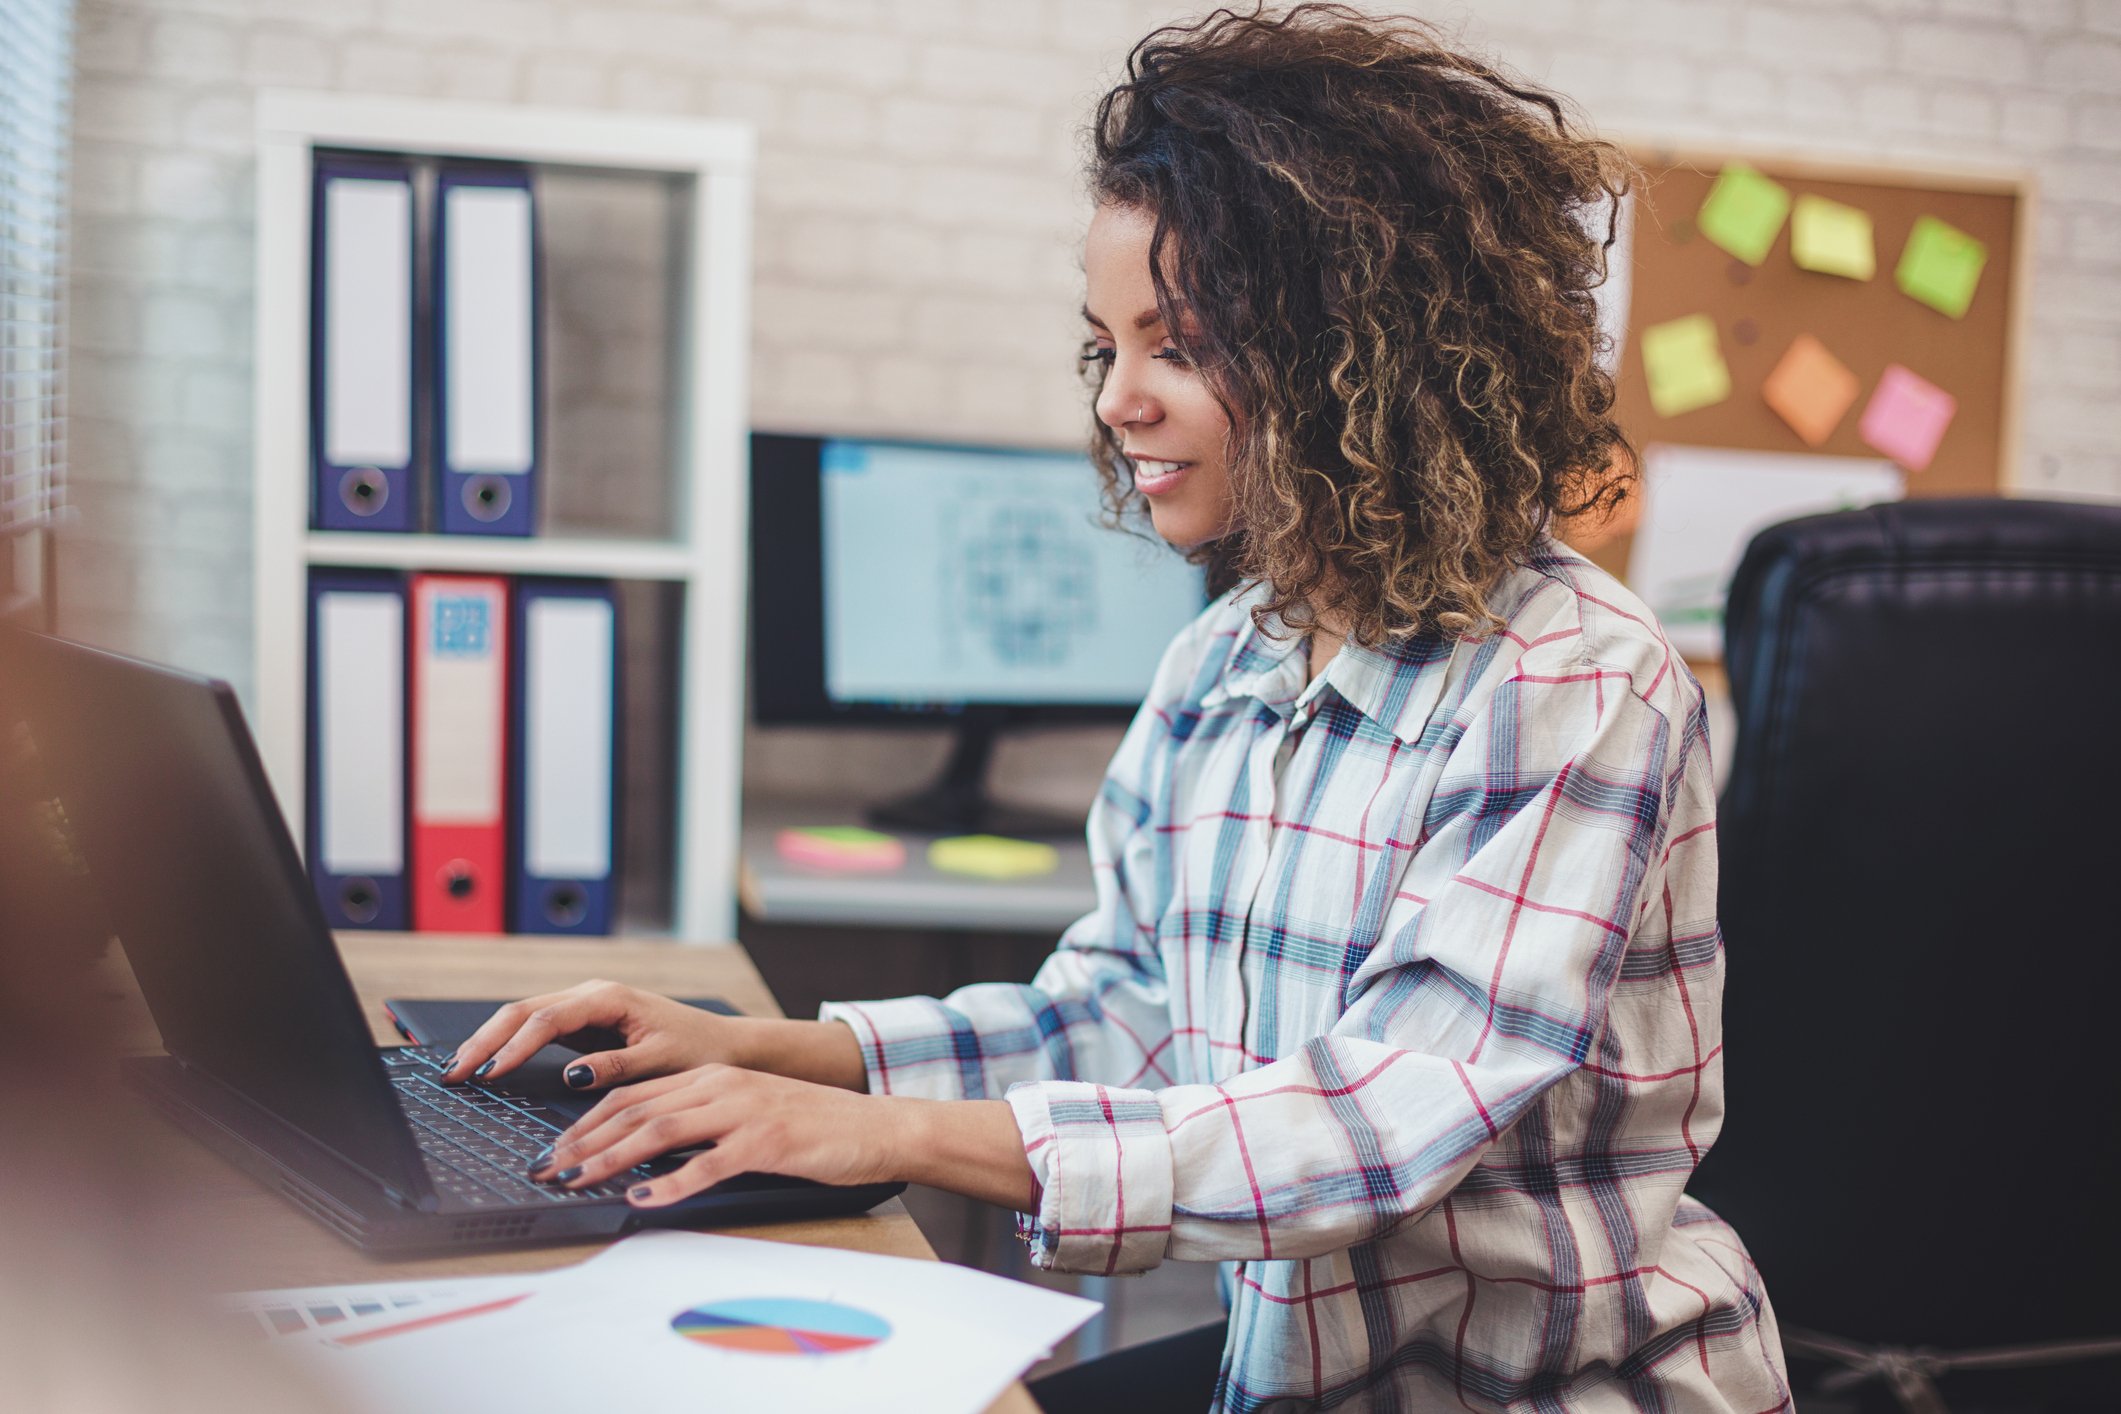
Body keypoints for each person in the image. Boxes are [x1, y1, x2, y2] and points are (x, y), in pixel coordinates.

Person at [447, 7, 1790, 1408]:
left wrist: (884, 1129)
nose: (1120, 404)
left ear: (1360, 352)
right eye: (1105, 349)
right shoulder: (1223, 663)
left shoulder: (1572, 677)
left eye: (1181, 345)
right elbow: (1131, 1012)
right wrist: (779, 1051)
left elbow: (1374, 1126)